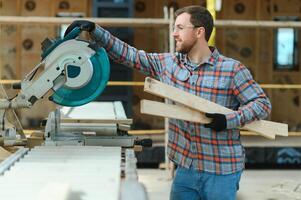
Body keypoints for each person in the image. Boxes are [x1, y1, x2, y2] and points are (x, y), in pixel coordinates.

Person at [65, 5, 271, 200]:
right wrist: (95, 30)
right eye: (174, 28)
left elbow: (262, 104)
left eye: (180, 28)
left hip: (221, 170)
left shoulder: (232, 70)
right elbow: (129, 54)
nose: (174, 33)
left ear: (199, 32)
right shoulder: (168, 64)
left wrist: (229, 120)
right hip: (185, 169)